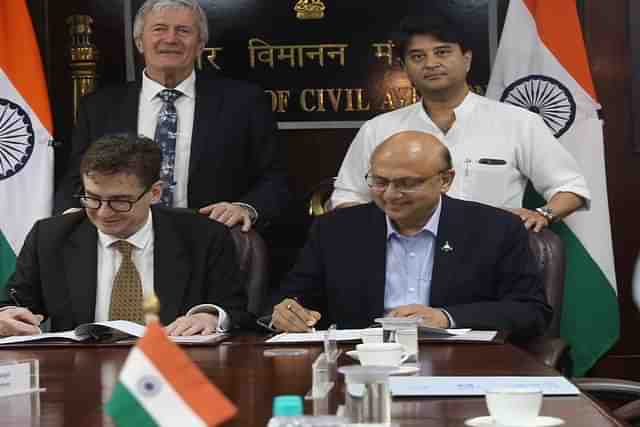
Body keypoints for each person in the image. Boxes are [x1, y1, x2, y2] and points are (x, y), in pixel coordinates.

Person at [272, 131, 551, 341]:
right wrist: (287, 312)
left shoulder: (496, 228)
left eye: (407, 183)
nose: (391, 194)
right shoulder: (336, 230)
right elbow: (293, 297)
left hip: (462, 362)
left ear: (445, 180)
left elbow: (530, 312)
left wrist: (445, 318)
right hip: (360, 362)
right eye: (379, 182)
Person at [331, 14, 590, 232]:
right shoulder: (379, 129)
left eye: (442, 52)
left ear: (466, 59)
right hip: (404, 256)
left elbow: (571, 187)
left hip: (493, 256)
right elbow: (346, 198)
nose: (431, 64)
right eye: (418, 57)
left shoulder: (518, 122)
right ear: (404, 67)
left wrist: (543, 214)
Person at [55, 0, 289, 232]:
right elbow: (77, 179)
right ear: (139, 42)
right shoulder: (99, 107)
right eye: (159, 29)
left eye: (183, 30)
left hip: (208, 242)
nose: (170, 39)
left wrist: (244, 208)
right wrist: (73, 218)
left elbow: (275, 179)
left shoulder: (243, 102)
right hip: (122, 240)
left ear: (200, 45)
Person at [0, 135, 252, 337]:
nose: (103, 212)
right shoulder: (50, 236)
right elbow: (14, 301)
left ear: (154, 193)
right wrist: (8, 316)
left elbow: (236, 310)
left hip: (176, 373)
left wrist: (209, 316)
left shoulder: (203, 236)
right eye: (93, 198)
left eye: (119, 201)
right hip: (78, 374)